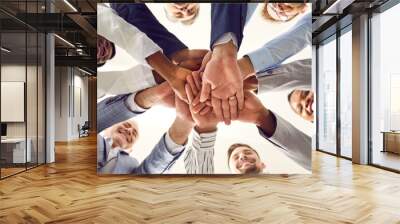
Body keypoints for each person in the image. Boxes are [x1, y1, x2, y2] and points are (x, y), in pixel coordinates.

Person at [98, 95, 194, 174]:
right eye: (126, 125)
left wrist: (183, 122)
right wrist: (147, 97)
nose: (130, 131)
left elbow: (150, 172)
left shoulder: (131, 164)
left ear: (130, 149)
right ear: (107, 128)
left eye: (134, 134)